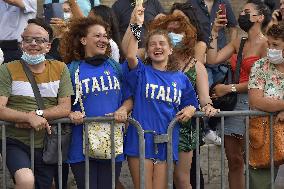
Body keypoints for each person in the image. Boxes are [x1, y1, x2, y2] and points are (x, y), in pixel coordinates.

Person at [123, 5, 199, 189]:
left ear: (170, 50)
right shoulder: (141, 71)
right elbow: (131, 56)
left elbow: (192, 102)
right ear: (147, 51)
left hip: (166, 142)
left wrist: (190, 108)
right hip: (140, 141)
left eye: (162, 43)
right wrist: (136, 25)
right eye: (152, 44)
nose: (157, 47)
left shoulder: (181, 78)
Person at [149, 7, 219, 188]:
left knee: (182, 180)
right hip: (158, 126)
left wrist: (207, 107)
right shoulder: (155, 61)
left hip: (185, 128)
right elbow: (133, 53)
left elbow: (204, 97)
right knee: (159, 180)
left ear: (187, 34)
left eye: (178, 32)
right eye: (169, 31)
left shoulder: (195, 65)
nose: (173, 35)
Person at [59, 16, 133, 189]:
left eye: (105, 36)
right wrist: (70, 113)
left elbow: (129, 98)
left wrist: (123, 109)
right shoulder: (70, 69)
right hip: (80, 146)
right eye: (97, 36)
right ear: (84, 40)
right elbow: (62, 104)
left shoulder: (115, 67)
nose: (103, 40)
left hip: (112, 143)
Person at [0, 18, 74, 189]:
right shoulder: (7, 69)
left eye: (39, 40)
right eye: (28, 39)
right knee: (26, 181)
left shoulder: (60, 68)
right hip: (15, 140)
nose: (33, 43)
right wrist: (27, 117)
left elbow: (65, 107)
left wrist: (37, 115)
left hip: (49, 144)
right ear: (21, 44)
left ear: (48, 46)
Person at [206, 0, 271, 188]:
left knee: (253, 160)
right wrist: (214, 32)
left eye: (246, 11)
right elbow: (212, 59)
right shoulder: (238, 41)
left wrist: (229, 88)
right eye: (241, 11)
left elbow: (262, 80)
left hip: (253, 102)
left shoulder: (266, 45)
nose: (241, 14)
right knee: (234, 160)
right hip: (233, 103)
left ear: (259, 18)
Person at [248, 21, 284, 189]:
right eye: (268, 43)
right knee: (260, 184)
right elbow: (256, 101)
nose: (270, 48)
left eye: (275, 44)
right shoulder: (260, 66)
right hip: (263, 133)